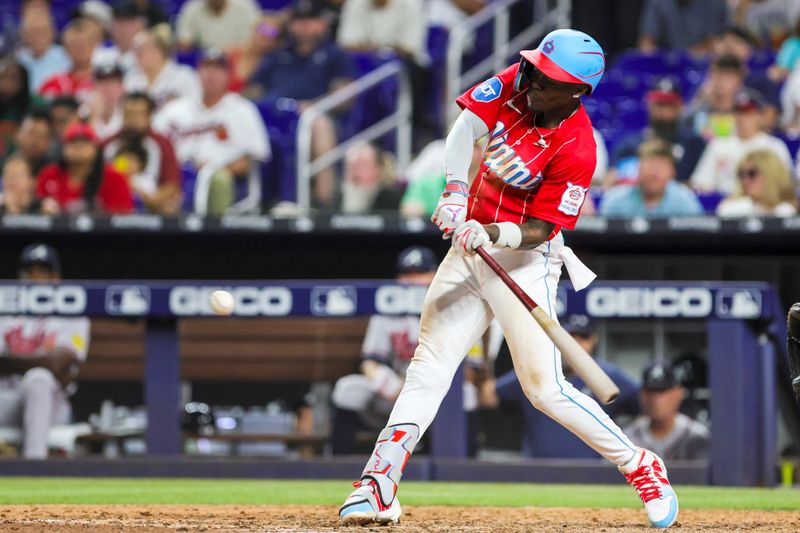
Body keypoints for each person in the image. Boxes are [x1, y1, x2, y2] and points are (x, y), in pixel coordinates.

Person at [338, 29, 679, 529]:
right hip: (467, 248)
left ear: (578, 91)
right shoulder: (516, 83)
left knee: (544, 389)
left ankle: (640, 465)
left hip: (526, 258)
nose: (536, 80)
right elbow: (464, 129)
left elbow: (544, 227)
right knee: (429, 363)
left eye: (551, 78)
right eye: (537, 68)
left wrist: (493, 230)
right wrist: (456, 192)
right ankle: (378, 482)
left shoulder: (579, 147)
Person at [330, 246, 482, 455]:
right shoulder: (388, 310)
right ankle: (339, 467)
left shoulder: (461, 306)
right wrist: (392, 385)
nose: (413, 280)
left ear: (436, 275)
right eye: (407, 274)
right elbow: (370, 362)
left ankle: (465, 469)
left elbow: (471, 371)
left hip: (441, 391)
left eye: (420, 274)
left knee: (468, 393)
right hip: (396, 391)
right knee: (349, 388)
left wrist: (424, 387)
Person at [480, 314, 640, 459]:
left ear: (593, 340)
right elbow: (488, 397)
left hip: (590, 473)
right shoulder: (538, 370)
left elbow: (647, 405)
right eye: (570, 338)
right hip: (537, 469)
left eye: (583, 338)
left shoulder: (608, 374)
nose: (576, 345)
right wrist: (485, 360)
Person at [245, 0, 354, 208]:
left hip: (312, 117)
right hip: (274, 114)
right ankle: (252, 199)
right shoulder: (278, 55)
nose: (303, 27)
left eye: (310, 21)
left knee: (319, 124)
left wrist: (312, 106)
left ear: (322, 23)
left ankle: (324, 199)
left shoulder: (334, 54)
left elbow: (345, 94)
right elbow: (253, 89)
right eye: (298, 21)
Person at [153, 49, 270, 215]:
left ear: (228, 75)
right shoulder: (175, 109)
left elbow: (248, 162)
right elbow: (153, 145)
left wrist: (211, 170)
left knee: (218, 179)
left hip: (218, 178)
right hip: (176, 176)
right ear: (198, 73)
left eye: (218, 69)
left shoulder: (243, 109)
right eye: (206, 68)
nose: (211, 75)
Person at [0, 244, 90, 459]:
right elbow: (49, 361)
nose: (35, 279)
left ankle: (35, 465)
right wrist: (42, 360)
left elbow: (57, 364)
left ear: (55, 277)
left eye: (42, 272)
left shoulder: (70, 312)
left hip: (51, 405)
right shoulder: (6, 311)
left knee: (38, 378)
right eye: (30, 272)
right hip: (6, 399)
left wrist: (9, 362)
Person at [691, 90, 791, 196]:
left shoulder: (774, 146)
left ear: (760, 116)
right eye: (738, 112)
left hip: (764, 207)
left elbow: (784, 186)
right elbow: (702, 184)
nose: (742, 118)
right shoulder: (719, 144)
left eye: (748, 112)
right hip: (726, 206)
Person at [608, 77, 705, 186]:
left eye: (669, 105)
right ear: (649, 105)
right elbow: (611, 177)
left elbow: (701, 184)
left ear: (680, 107)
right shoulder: (631, 144)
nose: (663, 111)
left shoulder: (693, 143)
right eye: (659, 104)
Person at [103, 91, 183, 215]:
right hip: (112, 202)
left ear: (150, 115)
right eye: (129, 114)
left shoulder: (163, 144)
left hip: (152, 201)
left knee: (170, 208)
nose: (133, 119)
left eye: (139, 114)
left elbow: (171, 185)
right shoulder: (107, 144)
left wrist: (151, 199)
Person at [36, 121, 134, 214]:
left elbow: (123, 217)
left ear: (96, 149)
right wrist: (43, 208)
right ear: (63, 148)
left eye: (85, 142)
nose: (78, 146)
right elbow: (34, 211)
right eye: (72, 141)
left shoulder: (114, 177)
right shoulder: (49, 174)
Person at [624, 361, 710, 461]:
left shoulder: (697, 435)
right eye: (650, 391)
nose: (655, 398)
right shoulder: (627, 438)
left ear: (678, 393)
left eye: (662, 391)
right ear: (642, 395)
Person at [602, 139, 703, 218]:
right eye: (650, 166)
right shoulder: (616, 201)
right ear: (639, 168)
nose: (654, 173)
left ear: (672, 172)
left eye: (660, 167)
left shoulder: (685, 202)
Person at [711, 26, 781, 132]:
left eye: (735, 43)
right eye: (726, 44)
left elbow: (769, 118)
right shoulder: (711, 81)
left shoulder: (761, 80)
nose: (730, 48)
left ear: (747, 49)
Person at [125, 25, 202, 115]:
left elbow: (196, 107)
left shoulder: (184, 76)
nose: (138, 54)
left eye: (143, 49)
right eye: (136, 50)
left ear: (159, 51)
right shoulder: (131, 79)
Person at [716, 149, 797, 217]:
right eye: (742, 174)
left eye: (752, 173)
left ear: (770, 174)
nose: (745, 180)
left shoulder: (787, 211)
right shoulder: (731, 209)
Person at [38, 17, 101, 104]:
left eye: (83, 45)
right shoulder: (53, 84)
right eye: (74, 46)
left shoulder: (103, 82)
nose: (79, 50)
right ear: (66, 49)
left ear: (94, 46)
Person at [684, 54, 746, 141]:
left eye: (728, 75)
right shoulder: (699, 110)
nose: (722, 80)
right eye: (718, 74)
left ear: (739, 80)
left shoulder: (746, 109)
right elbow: (682, 122)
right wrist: (700, 98)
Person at [637, 0, 727, 55]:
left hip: (702, 66)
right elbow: (647, 41)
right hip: (665, 65)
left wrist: (692, 55)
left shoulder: (716, 4)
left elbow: (720, 40)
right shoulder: (659, 2)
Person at [15, 6, 71, 93]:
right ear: (23, 34)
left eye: (42, 31)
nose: (37, 36)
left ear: (52, 32)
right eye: (32, 31)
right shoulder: (18, 59)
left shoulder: (67, 56)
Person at [339, 142, 402, 213]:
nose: (355, 172)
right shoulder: (335, 200)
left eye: (362, 165)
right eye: (350, 165)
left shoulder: (392, 200)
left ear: (378, 170)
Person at [176, 0, 262, 51]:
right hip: (206, 62)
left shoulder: (246, 6)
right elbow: (183, 42)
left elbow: (256, 41)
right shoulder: (192, 8)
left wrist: (228, 51)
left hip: (240, 59)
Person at [93, 0, 148, 74]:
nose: (122, 27)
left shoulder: (148, 56)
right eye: (118, 21)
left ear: (140, 24)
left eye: (128, 21)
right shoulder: (100, 56)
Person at [85, 63, 125, 140]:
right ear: (94, 86)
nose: (107, 87)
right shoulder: (84, 112)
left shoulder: (129, 111)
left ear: (122, 87)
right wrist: (94, 117)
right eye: (102, 82)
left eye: (113, 82)